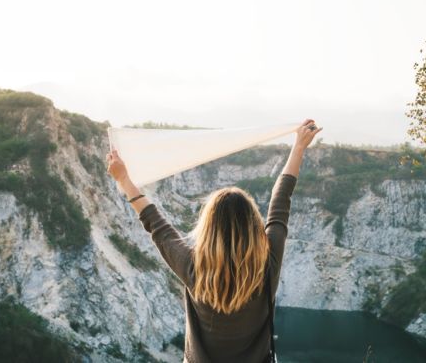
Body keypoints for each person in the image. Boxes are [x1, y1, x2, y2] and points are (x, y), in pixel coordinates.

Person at [105, 119, 322, 363]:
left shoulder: (192, 267)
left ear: (208, 228)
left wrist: (123, 179)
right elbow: (281, 201)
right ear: (253, 227)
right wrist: (299, 147)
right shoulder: (267, 266)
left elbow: (156, 225)